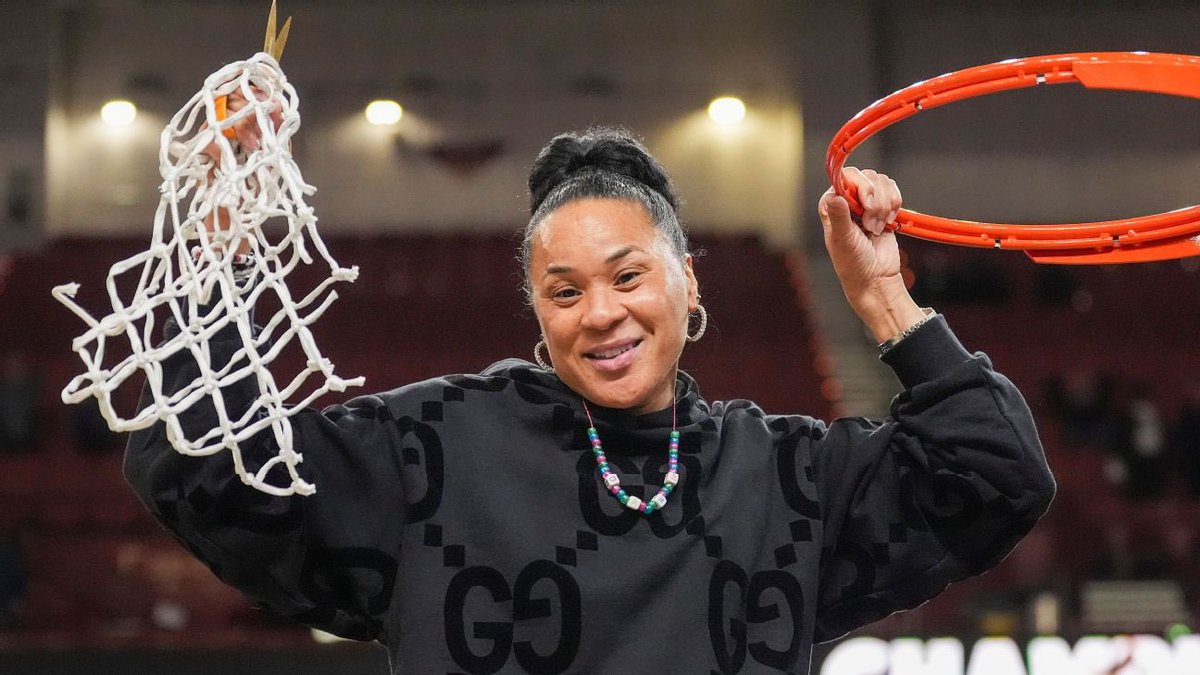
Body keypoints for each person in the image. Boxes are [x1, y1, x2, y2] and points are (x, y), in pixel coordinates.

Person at [125, 119, 1055, 673]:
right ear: (535, 308)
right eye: (564, 291)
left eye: (628, 276)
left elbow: (996, 474)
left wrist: (881, 295)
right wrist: (215, 252)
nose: (600, 314)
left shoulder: (784, 474)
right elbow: (200, 463)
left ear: (689, 281)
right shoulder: (429, 449)